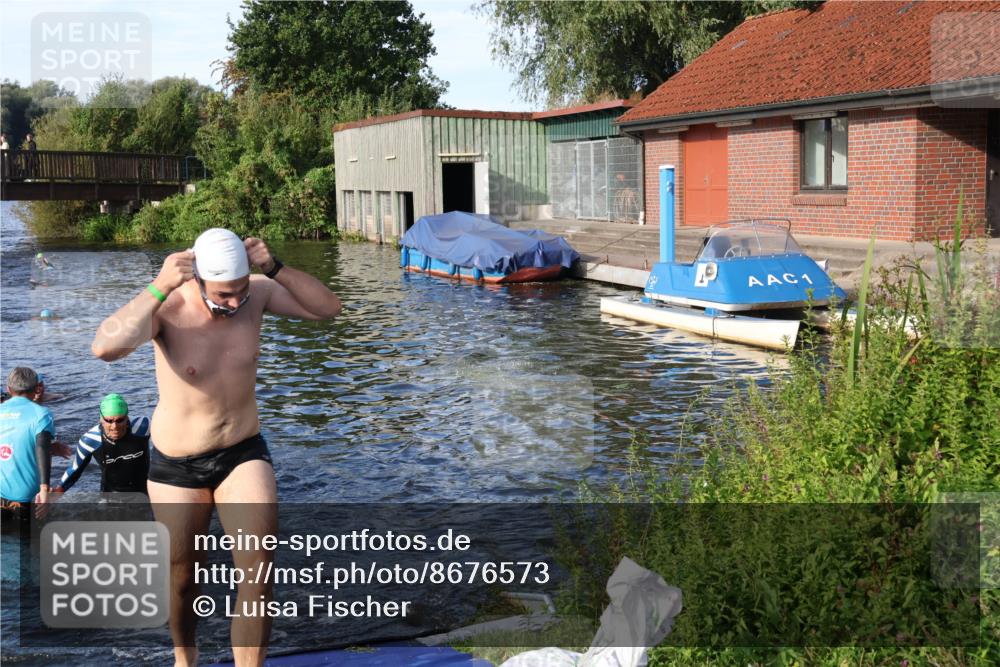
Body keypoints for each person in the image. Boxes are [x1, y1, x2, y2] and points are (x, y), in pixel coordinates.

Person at [91, 228, 341, 667]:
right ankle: (185, 659)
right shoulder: (167, 307)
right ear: (198, 281)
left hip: (242, 452)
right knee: (184, 579)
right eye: (224, 295)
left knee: (258, 575)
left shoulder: (257, 294)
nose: (235, 303)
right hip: (176, 466)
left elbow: (329, 309)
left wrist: (274, 267)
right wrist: (158, 285)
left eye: (241, 292)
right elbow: (104, 348)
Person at [53, 394, 150, 496]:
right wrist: (58, 490)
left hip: (147, 490)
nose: (114, 426)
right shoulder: (90, 440)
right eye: (109, 421)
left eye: (120, 420)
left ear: (127, 417)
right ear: (101, 419)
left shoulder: (143, 427)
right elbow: (75, 470)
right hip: (111, 494)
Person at [0, 367, 55, 530]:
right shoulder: (42, 414)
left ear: (9, 389)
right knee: (30, 545)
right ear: (36, 389)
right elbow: (42, 448)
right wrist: (45, 489)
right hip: (27, 497)